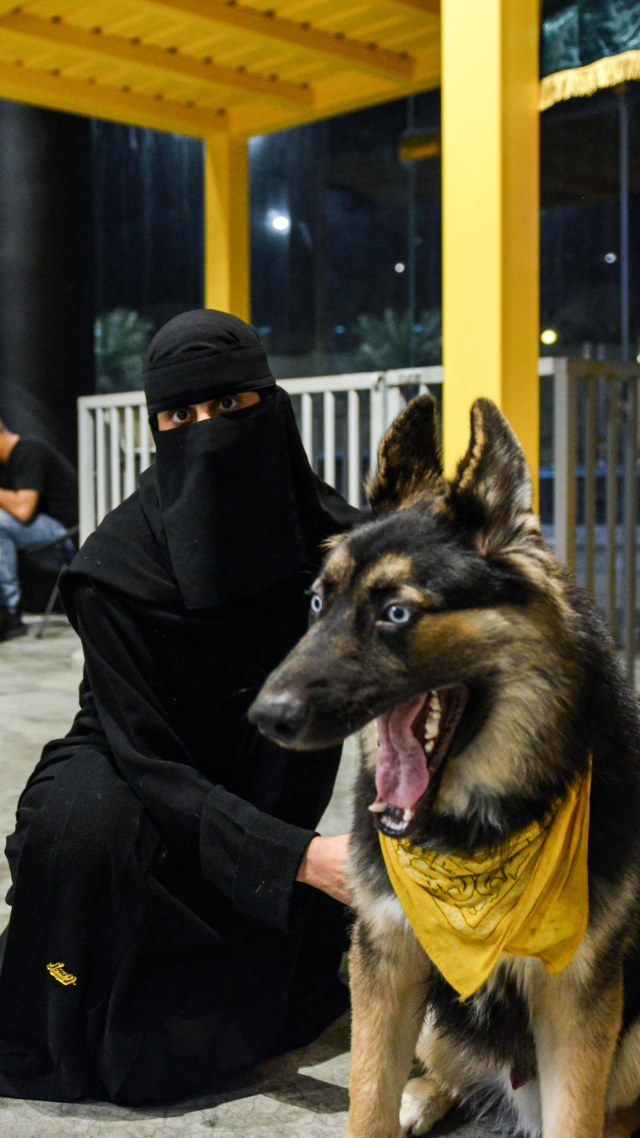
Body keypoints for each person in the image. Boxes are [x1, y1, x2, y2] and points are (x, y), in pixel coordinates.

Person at [0, 310, 359, 1106]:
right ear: (154, 426)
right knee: (77, 831)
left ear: (273, 406)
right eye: (179, 416)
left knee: (198, 1043)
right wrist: (301, 858)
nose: (208, 432)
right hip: (141, 767)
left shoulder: (340, 552)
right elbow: (149, 761)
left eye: (232, 408)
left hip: (263, 792)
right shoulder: (116, 571)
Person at [0, 418, 78, 641]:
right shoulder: (5, 465)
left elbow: (23, 510)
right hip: (47, 538)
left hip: (69, 537)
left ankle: (8, 611)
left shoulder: (29, 450)